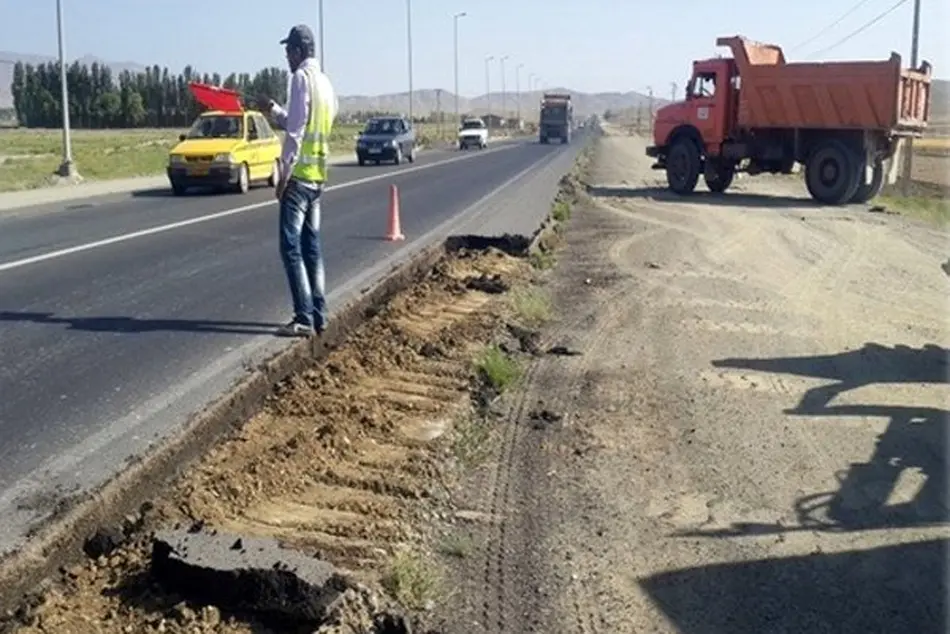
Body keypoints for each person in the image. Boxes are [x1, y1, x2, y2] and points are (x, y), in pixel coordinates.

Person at [257, 24, 338, 337]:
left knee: (290, 247)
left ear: (299, 52)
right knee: (312, 248)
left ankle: (303, 317)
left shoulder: (301, 78)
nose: (286, 58)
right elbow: (307, 122)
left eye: (289, 52)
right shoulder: (326, 85)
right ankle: (319, 314)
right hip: (318, 178)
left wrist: (283, 173)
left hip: (299, 179)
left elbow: (296, 132)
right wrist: (274, 109)